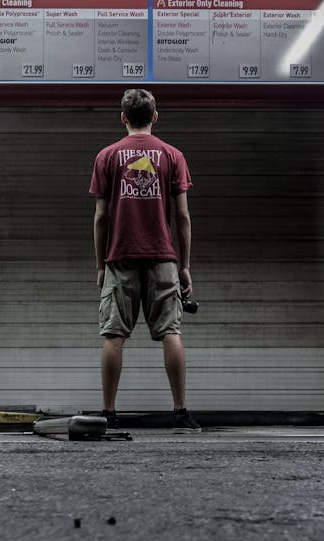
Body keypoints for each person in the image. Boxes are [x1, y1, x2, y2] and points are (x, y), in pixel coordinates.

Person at [89, 88, 199, 433]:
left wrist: (100, 264)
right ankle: (180, 412)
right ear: (155, 116)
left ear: (123, 118)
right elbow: (182, 217)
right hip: (162, 256)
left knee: (113, 336)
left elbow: (101, 217)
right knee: (171, 332)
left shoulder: (106, 156)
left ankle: (108, 413)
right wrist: (183, 266)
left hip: (119, 256)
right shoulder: (172, 155)